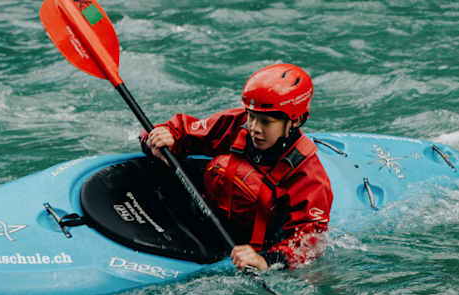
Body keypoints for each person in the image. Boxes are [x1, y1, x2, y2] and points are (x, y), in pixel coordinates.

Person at [142, 63, 332, 272]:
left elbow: (310, 242)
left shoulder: (309, 176)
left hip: (251, 243)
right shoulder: (238, 123)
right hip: (204, 214)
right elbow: (186, 131)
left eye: (266, 122)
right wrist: (161, 136)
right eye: (251, 117)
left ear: (295, 121)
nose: (254, 128)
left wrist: (266, 261)